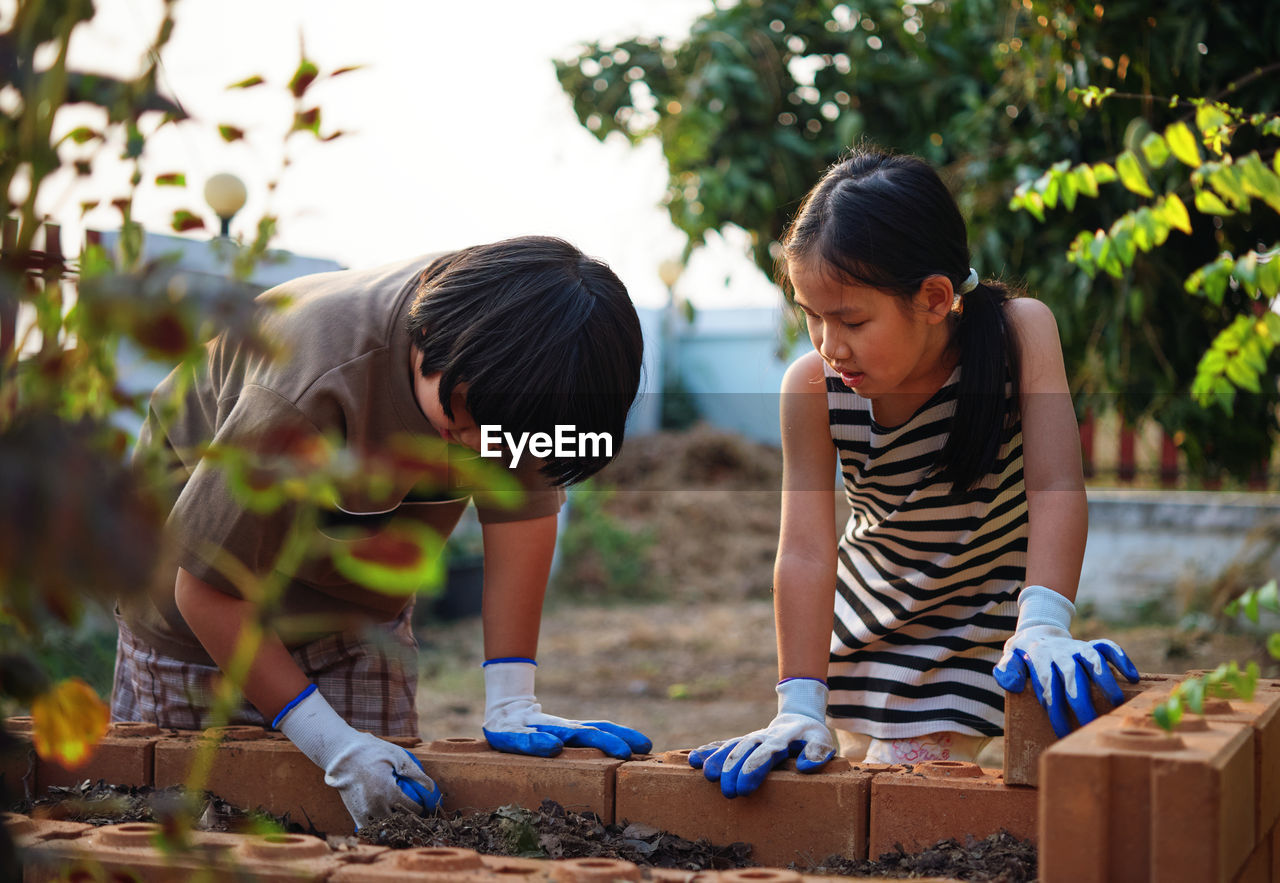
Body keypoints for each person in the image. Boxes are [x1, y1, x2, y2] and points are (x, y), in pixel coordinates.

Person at [111, 236, 652, 828]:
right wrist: (334, 745)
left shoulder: (523, 375)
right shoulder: (309, 377)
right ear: (432, 345)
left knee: (390, 819)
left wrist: (512, 698)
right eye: (461, 427)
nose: (480, 453)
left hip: (356, 617)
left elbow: (522, 513)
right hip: (197, 626)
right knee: (209, 830)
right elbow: (205, 590)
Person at [689, 147, 1140, 798]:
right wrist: (799, 699)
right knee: (853, 804)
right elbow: (808, 552)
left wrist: (1043, 622)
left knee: (899, 799)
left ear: (933, 298)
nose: (827, 343)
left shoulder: (1020, 335)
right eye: (810, 315)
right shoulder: (813, 387)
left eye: (850, 319)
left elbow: (1057, 487)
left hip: (980, 636)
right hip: (864, 635)